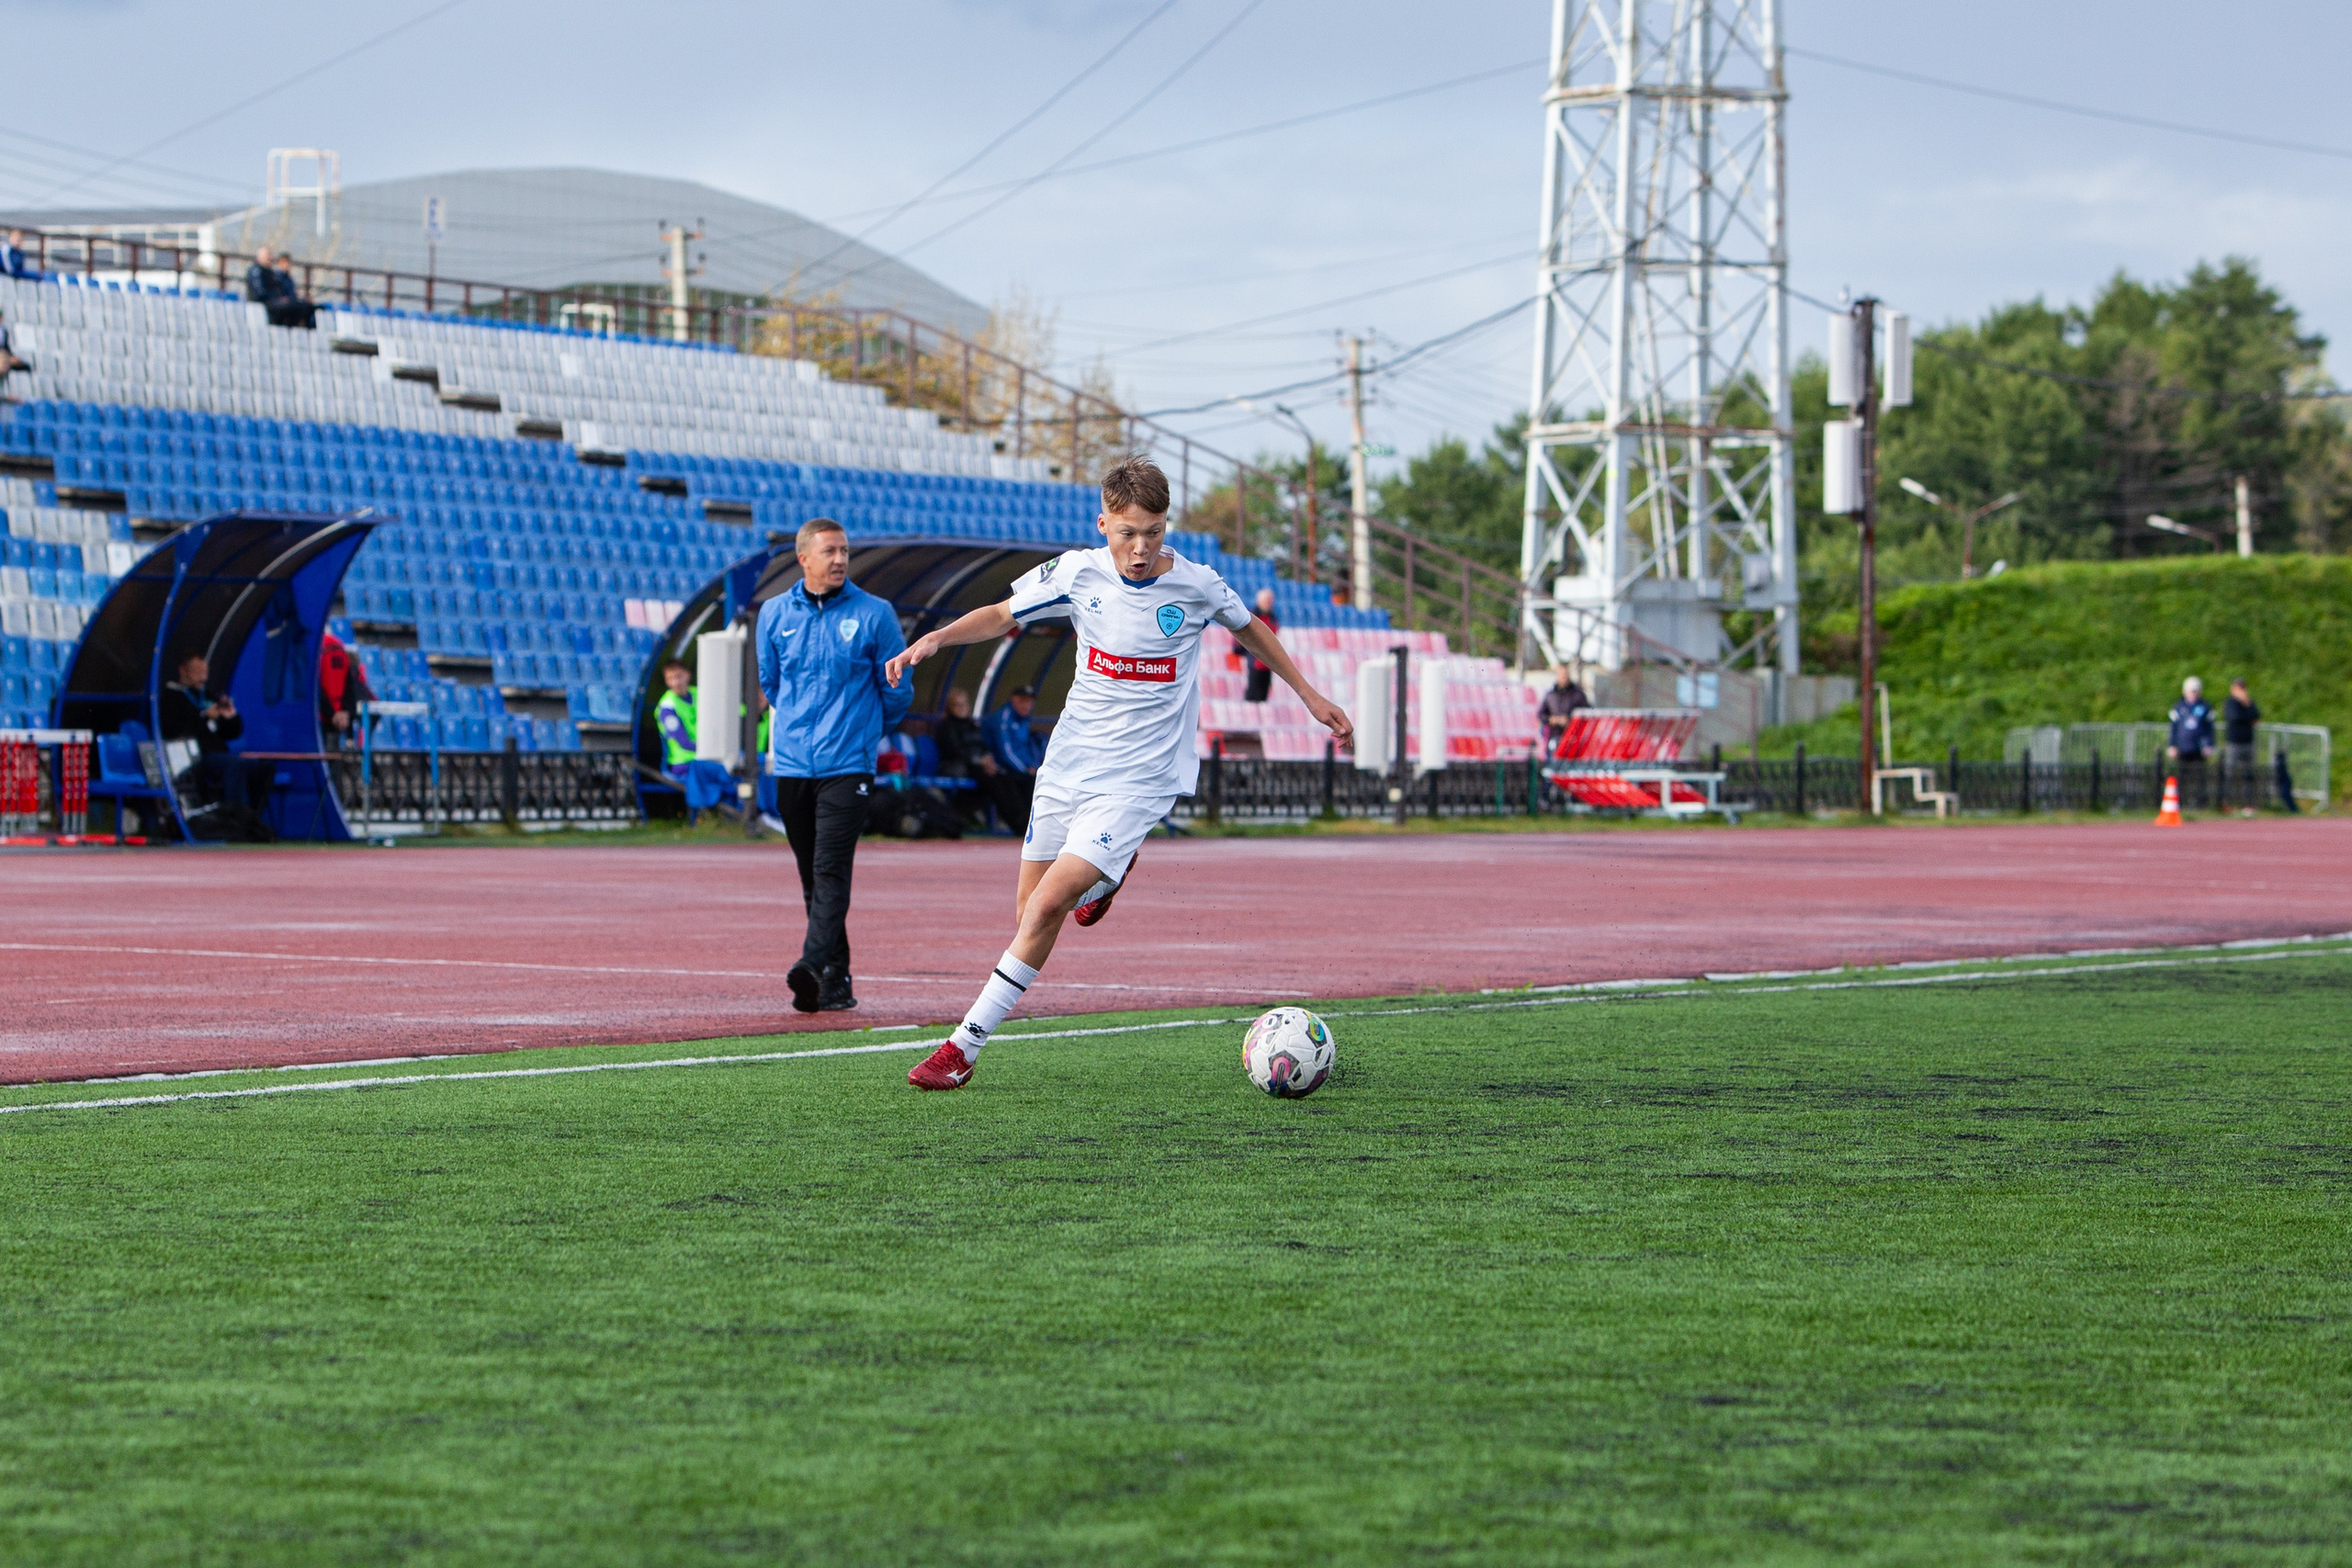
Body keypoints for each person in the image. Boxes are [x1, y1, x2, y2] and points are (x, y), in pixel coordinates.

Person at [885, 455, 1353, 1091]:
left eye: (1154, 532)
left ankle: (961, 1047)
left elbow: (1252, 631)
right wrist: (937, 637)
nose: (1140, 548)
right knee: (1029, 913)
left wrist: (1309, 695)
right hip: (1071, 762)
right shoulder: (1078, 572)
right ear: (1103, 522)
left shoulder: (1196, 584)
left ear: (1167, 527)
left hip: (1141, 776)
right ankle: (1102, 884)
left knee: (1048, 903)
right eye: (1128, 532)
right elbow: (1001, 614)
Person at [756, 515, 910, 1015]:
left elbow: (896, 689)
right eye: (830, 551)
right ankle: (836, 982)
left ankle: (811, 964)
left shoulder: (875, 613)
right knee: (811, 873)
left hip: (848, 764)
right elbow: (771, 682)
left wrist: (862, 734)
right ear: (804, 558)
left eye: (844, 550)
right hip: (795, 765)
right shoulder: (774, 613)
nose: (840, 559)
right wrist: (799, 729)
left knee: (829, 868)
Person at [157, 651, 275, 823]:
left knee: (263, 766)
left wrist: (230, 717)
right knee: (235, 764)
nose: (203, 678)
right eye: (198, 673)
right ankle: (234, 819)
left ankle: (252, 817)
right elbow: (174, 731)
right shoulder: (171, 697)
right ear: (183, 670)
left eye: (205, 672)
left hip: (218, 753)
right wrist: (204, 717)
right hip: (195, 758)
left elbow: (232, 732)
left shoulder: (208, 696)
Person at [983, 682, 1045, 834]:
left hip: (1022, 769)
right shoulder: (1003, 718)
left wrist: (1033, 766)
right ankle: (1025, 827)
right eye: (1023, 700)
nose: (1027, 705)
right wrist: (1025, 769)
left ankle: (1039, 826)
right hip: (1003, 769)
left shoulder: (1024, 720)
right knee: (1023, 786)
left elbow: (1027, 746)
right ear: (1014, 700)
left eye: (1030, 701)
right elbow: (1006, 751)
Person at [316, 630, 373, 749]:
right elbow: (348, 686)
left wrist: (332, 713)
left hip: (321, 716)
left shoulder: (318, 646)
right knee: (333, 758)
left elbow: (314, 686)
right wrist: (344, 712)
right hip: (338, 716)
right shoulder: (339, 646)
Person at [2167, 675, 2215, 807]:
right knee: (2181, 777)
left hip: (2198, 747)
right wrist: (2172, 745)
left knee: (2199, 776)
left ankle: (2200, 803)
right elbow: (2173, 728)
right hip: (2183, 747)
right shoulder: (2179, 707)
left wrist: (2208, 745)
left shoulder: (2205, 707)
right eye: (2190, 691)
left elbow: (2209, 729)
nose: (2193, 694)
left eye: (2195, 691)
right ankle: (2180, 802)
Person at [244, 246, 318, 330]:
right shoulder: (256, 271)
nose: (270, 258)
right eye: (267, 256)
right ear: (260, 257)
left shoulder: (271, 273)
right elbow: (260, 293)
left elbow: (280, 290)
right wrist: (278, 299)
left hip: (275, 302)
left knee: (305, 306)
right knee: (291, 306)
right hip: (265, 303)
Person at [654, 659, 697, 779]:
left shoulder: (699, 694)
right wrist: (711, 752)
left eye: (678, 676)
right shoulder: (667, 707)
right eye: (670, 679)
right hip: (684, 762)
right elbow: (683, 742)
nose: (675, 682)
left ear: (688, 674)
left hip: (703, 758)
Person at [1537, 664, 1590, 753]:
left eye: (1565, 674)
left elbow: (1587, 713)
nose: (1564, 677)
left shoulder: (1577, 694)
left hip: (1573, 738)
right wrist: (1552, 720)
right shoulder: (1551, 695)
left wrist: (1570, 720)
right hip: (1554, 736)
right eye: (1561, 675)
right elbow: (1541, 715)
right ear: (1557, 676)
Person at [1242, 586, 1280, 702]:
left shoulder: (1273, 617)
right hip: (1255, 661)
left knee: (1264, 694)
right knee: (1253, 693)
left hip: (1268, 662)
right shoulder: (1252, 615)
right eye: (1267, 600)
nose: (1269, 603)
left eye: (1270, 600)